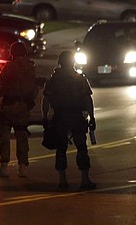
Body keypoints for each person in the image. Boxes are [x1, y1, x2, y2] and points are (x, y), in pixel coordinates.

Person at [42, 51, 97, 190]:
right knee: (81, 147)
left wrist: (44, 117)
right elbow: (87, 99)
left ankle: (62, 180)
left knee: (61, 149)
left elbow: (46, 100)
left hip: (60, 117)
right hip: (76, 116)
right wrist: (92, 117)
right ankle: (85, 180)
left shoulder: (53, 80)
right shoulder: (79, 79)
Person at [0, 42, 38, 179]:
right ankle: (22, 167)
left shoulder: (10, 66)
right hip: (24, 105)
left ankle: (4, 167)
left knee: (4, 137)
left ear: (12, 53)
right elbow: (34, 86)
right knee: (22, 136)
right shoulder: (31, 67)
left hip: (8, 105)